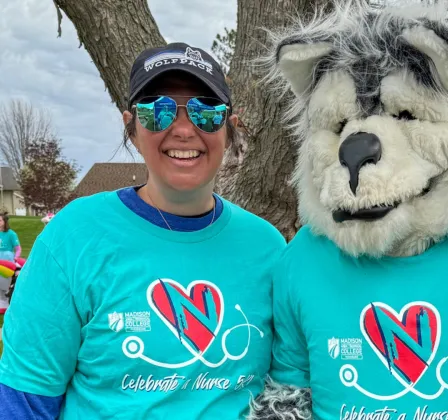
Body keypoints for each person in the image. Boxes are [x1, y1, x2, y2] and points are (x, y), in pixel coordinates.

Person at [0, 42, 286, 419]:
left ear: (229, 129)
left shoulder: (267, 246)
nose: (183, 129)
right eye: (158, 112)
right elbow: (25, 401)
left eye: (206, 112)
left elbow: (288, 383)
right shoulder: (73, 236)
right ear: (131, 127)